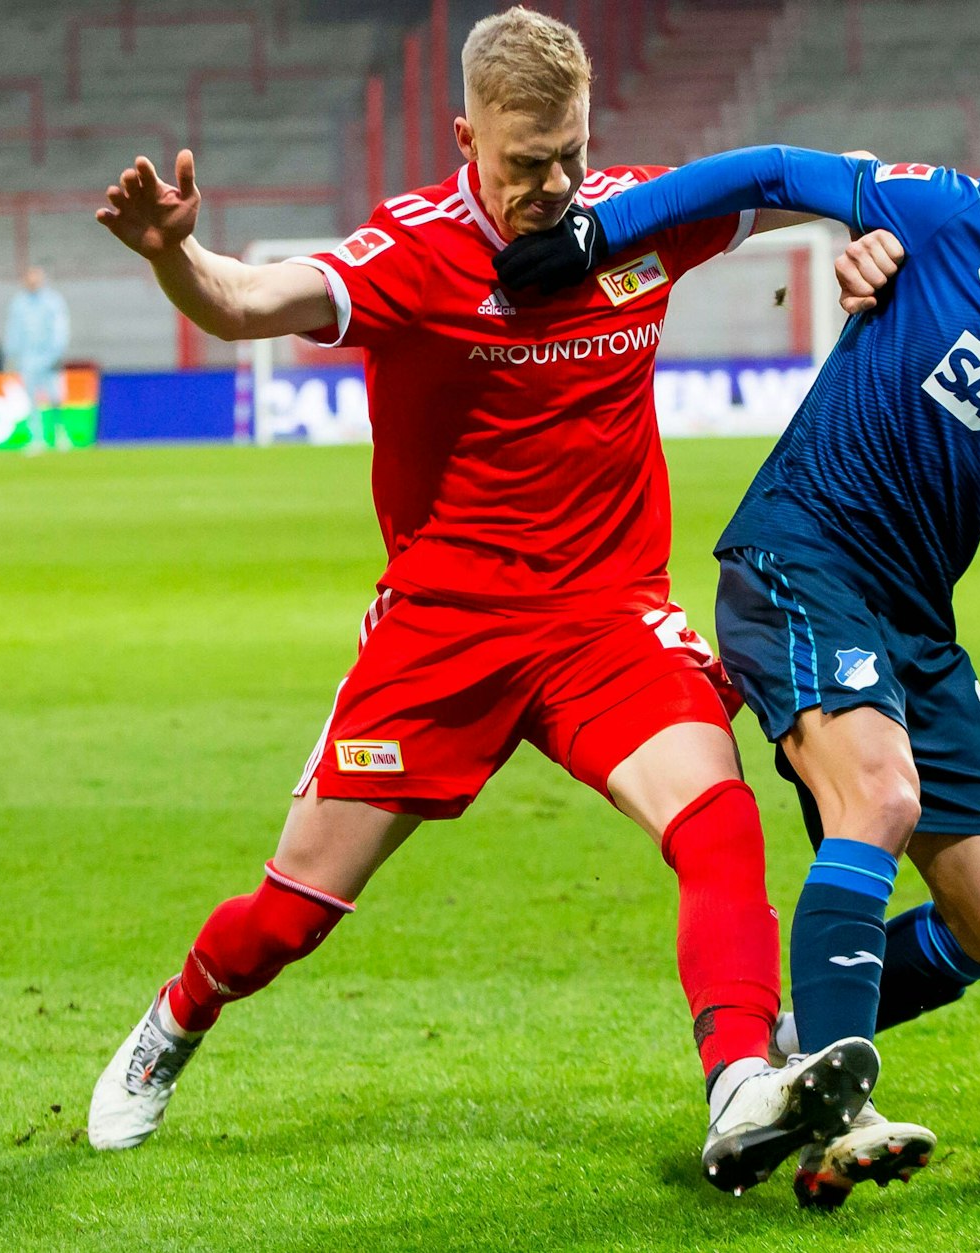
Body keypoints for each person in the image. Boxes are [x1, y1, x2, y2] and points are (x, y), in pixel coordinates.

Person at [85, 7, 901, 1194]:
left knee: (716, 818)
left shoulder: (631, 219)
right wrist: (171, 256)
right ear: (465, 136)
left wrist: (870, 243)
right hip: (442, 626)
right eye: (526, 162)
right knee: (292, 912)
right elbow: (250, 301)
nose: (556, 185)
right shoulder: (412, 252)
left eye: (571, 153)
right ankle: (175, 1018)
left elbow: (815, 188)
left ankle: (737, 1080)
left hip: (605, 615)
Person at [497, 140, 980, 1206]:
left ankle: (801, 1038)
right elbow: (775, 171)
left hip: (915, 625)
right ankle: (839, 1111)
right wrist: (600, 233)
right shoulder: (950, 219)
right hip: (802, 556)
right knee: (878, 795)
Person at [3, 265, 71, 450]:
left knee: (56, 397)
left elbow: (60, 329)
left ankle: (60, 434)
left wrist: (58, 352)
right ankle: (37, 438)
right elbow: (13, 330)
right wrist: (10, 355)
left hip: (50, 357)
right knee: (32, 399)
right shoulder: (19, 303)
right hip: (28, 358)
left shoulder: (52, 301)